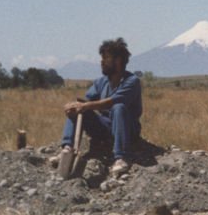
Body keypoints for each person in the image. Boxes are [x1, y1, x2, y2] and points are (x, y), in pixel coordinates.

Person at [57, 37, 143, 177]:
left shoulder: (132, 81)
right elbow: (86, 101)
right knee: (79, 109)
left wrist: (85, 105)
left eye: (105, 57)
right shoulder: (101, 82)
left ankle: (122, 157)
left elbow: (112, 102)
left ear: (118, 60)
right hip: (105, 126)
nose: (101, 61)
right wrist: (74, 105)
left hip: (127, 129)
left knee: (118, 107)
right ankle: (67, 150)